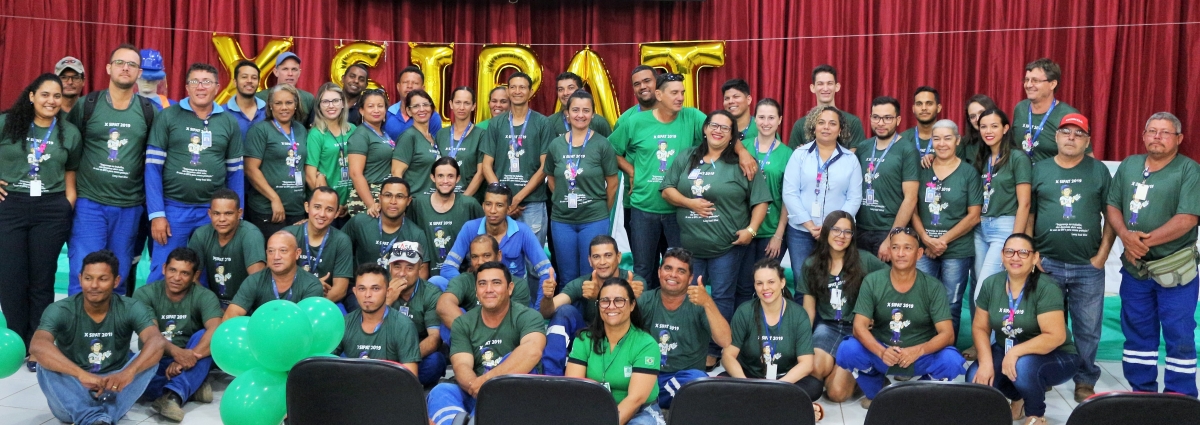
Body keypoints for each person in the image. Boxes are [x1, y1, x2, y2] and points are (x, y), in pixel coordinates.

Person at [613, 73, 756, 289]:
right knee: (643, 269)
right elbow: (611, 150)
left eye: (682, 92)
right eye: (674, 93)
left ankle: (678, 309)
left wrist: (743, 152)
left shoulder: (692, 116)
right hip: (644, 208)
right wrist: (631, 171)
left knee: (680, 269)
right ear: (659, 95)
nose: (680, 97)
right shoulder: (634, 122)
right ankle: (645, 309)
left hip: (679, 211)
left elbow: (720, 129)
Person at [1106, 112, 1200, 397]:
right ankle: (1142, 393)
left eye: (1165, 132)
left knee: (1179, 334)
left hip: (1175, 272)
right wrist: (1126, 236)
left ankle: (1179, 397)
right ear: (1143, 135)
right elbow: (1112, 205)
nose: (1157, 137)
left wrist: (1140, 243)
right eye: (1152, 131)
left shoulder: (1189, 170)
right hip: (1135, 271)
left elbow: (1188, 218)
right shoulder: (1130, 165)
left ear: (1179, 138)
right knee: (1137, 333)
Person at [661, 109, 768, 340]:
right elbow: (667, 190)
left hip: (726, 247)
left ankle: (715, 347)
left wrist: (751, 230)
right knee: (689, 294)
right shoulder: (687, 156)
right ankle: (691, 343)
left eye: (725, 128)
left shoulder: (743, 163)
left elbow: (760, 200)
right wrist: (690, 203)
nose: (718, 131)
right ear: (705, 129)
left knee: (721, 297)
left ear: (732, 135)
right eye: (714, 125)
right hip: (690, 247)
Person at [0, 73, 82, 370]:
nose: (51, 101)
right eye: (45, 94)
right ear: (32, 96)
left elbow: (71, 172)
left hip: (50, 208)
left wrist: (66, 204)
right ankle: (17, 340)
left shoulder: (69, 133)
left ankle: (38, 345)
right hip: (10, 205)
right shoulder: (6, 123)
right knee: (11, 277)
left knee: (42, 279)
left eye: (57, 96)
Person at [1029, 113, 1113, 401]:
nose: (1071, 138)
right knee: (1045, 326)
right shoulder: (1039, 169)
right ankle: (1047, 374)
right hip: (1047, 263)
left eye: (1078, 134)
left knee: (1087, 329)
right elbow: (1030, 214)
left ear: (1087, 141)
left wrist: (1102, 256)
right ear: (1056, 137)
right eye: (1066, 132)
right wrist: (1032, 255)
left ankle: (1085, 380)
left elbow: (1112, 216)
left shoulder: (1099, 171)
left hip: (1087, 266)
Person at [32, 250, 167, 425]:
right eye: (88, 278)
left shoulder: (131, 307)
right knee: (44, 362)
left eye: (102, 279)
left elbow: (156, 341)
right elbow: (38, 345)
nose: (94, 285)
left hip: (114, 387)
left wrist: (127, 373)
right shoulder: (61, 309)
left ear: (116, 281)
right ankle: (96, 417)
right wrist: (81, 374)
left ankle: (96, 419)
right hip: (73, 389)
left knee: (150, 358)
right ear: (80, 279)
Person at [836, 227, 965, 408]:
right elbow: (859, 327)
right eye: (895, 248)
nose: (900, 253)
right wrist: (881, 352)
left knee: (952, 360)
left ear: (919, 253)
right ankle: (877, 391)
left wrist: (918, 350)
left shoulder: (933, 286)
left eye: (907, 248)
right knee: (847, 349)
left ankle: (916, 396)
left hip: (919, 355)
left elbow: (947, 334)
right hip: (883, 352)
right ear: (889, 251)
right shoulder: (873, 281)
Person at [65, 44, 156, 296]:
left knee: (118, 276)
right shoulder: (87, 105)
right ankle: (77, 321)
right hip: (89, 204)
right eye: (119, 63)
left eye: (132, 64)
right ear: (108, 68)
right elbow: (65, 150)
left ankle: (113, 323)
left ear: (139, 73)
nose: (125, 68)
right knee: (84, 273)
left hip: (129, 207)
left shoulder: (149, 111)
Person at [145, 62, 245, 283]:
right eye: (195, 82)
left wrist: (237, 215)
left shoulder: (229, 122)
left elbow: (236, 173)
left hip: (213, 213)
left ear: (217, 87)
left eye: (207, 82)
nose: (200, 87)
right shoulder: (168, 116)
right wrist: (157, 214)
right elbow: (152, 168)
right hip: (173, 210)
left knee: (208, 274)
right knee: (164, 271)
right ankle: (153, 307)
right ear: (187, 87)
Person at [967, 234, 1079, 425]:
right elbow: (980, 327)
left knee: (1022, 366)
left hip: (1056, 354)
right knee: (975, 377)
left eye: (1023, 253)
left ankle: (1035, 415)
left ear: (1035, 258)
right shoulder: (991, 284)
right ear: (1002, 255)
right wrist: (985, 362)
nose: (1015, 257)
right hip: (1007, 348)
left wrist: (1015, 352)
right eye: (1009, 252)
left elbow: (1056, 336)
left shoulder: (1046, 287)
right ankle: (1017, 396)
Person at [426, 262, 547, 425]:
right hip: (474, 391)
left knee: (515, 363)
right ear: (476, 291)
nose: (489, 289)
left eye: (496, 283)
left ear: (510, 288)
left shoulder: (528, 316)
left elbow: (532, 351)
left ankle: (476, 419)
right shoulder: (463, 322)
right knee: (441, 391)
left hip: (515, 396)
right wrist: (476, 386)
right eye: (482, 284)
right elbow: (461, 365)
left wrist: (487, 382)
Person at [795, 212, 888, 402]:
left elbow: (892, 283)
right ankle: (841, 367)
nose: (841, 236)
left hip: (858, 329)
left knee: (836, 394)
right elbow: (808, 310)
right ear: (826, 231)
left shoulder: (865, 260)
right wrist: (801, 344)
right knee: (815, 369)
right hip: (827, 327)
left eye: (847, 231)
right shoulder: (811, 264)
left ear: (853, 236)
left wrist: (877, 315)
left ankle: (869, 377)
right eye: (836, 230)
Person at [724, 259, 824, 420]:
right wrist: (745, 384)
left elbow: (806, 364)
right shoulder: (744, 311)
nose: (765, 288)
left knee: (814, 386)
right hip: (750, 377)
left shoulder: (799, 314)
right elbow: (728, 356)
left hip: (785, 378)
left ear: (782, 282)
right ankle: (790, 408)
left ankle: (758, 405)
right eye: (759, 283)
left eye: (771, 282)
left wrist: (778, 387)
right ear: (754, 285)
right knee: (720, 384)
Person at [133, 248, 222, 422]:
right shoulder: (144, 294)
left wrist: (186, 358)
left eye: (184, 273)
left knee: (205, 336)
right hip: (157, 359)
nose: (176, 277)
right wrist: (178, 355)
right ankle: (192, 386)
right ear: (164, 268)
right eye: (172, 270)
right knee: (128, 370)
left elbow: (215, 329)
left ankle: (173, 396)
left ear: (195, 275)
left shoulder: (205, 296)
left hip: (191, 360)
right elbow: (152, 337)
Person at [913, 120, 982, 342]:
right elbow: (912, 207)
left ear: (957, 141)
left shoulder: (969, 173)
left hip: (957, 250)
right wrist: (926, 239)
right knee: (922, 301)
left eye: (947, 138)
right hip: (924, 248)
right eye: (937, 139)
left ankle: (946, 354)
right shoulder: (922, 169)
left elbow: (974, 216)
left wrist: (941, 240)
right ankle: (922, 352)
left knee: (951, 304)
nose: (942, 143)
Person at [638, 248, 730, 408]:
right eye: (668, 268)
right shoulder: (646, 300)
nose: (673, 275)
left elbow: (725, 341)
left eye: (681, 271)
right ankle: (650, 396)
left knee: (697, 381)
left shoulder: (699, 303)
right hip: (648, 373)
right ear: (659, 272)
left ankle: (647, 397)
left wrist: (708, 303)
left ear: (690, 278)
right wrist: (626, 299)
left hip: (683, 378)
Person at [541, 235, 646, 376]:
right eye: (596, 257)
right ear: (590, 261)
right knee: (564, 311)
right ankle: (549, 377)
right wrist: (547, 297)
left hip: (622, 340)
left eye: (608, 255)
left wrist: (599, 297)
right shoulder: (583, 283)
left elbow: (636, 320)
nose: (602, 262)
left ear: (618, 257)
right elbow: (547, 312)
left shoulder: (634, 282)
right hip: (589, 339)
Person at [566, 277, 665, 425]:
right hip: (593, 407)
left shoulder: (646, 344)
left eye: (619, 301)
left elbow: (635, 399)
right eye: (605, 301)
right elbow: (575, 387)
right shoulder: (584, 339)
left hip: (640, 412)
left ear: (632, 305)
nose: (611, 306)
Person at [545, 91, 619, 284]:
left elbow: (612, 184)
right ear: (567, 113)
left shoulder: (602, 144)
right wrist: (563, 197)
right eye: (575, 110)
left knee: (593, 275)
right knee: (567, 277)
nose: (580, 115)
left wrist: (600, 209)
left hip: (593, 219)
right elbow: (551, 177)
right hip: (562, 220)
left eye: (586, 110)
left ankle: (593, 306)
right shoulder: (556, 145)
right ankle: (570, 306)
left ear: (593, 114)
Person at [781, 106, 863, 275]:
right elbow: (790, 193)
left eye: (832, 123)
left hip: (837, 234)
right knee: (802, 279)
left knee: (833, 279)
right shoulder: (799, 155)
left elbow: (854, 198)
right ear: (814, 127)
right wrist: (809, 225)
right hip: (801, 232)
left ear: (840, 130)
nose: (826, 127)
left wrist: (833, 227)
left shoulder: (850, 160)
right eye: (821, 122)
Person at [440, 183, 552, 301]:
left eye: (499, 205)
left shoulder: (523, 231)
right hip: (476, 294)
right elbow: (448, 267)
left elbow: (547, 272)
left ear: (509, 209)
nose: (492, 210)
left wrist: (539, 308)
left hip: (512, 297)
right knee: (437, 281)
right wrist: (469, 287)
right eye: (488, 204)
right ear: (483, 206)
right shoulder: (469, 228)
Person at [480, 72, 552, 245]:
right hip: (500, 205)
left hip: (532, 204)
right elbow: (486, 165)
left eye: (522, 87)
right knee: (499, 254)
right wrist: (503, 199)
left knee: (532, 257)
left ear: (531, 91)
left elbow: (545, 167)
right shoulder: (496, 124)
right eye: (513, 87)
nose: (517, 91)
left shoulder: (543, 123)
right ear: (508, 91)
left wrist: (517, 198)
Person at [343, 177, 436, 298]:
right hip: (363, 293)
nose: (393, 201)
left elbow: (422, 272)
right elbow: (338, 249)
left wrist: (402, 294)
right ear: (380, 198)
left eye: (399, 196)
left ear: (408, 201)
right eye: (388, 195)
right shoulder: (360, 223)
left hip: (399, 294)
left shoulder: (416, 234)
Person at [973, 108, 1032, 296]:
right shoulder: (983, 158)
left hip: (1004, 228)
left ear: (1005, 128)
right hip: (980, 229)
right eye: (983, 127)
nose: (988, 131)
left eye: (994, 126)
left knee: (982, 292)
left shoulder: (1017, 158)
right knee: (989, 290)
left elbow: (1025, 204)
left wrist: (1015, 241)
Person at [855, 96, 919, 261]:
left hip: (887, 230)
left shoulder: (907, 150)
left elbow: (911, 198)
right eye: (876, 117)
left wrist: (892, 237)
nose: (881, 123)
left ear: (898, 120)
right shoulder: (863, 147)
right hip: (860, 229)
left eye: (887, 118)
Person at [437, 235, 535, 339]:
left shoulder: (516, 284)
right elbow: (444, 304)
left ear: (498, 256)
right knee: (449, 320)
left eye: (486, 255)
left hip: (504, 339)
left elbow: (514, 322)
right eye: (475, 257)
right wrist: (476, 337)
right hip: (470, 338)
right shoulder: (464, 280)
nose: (480, 261)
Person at [335, 263, 421, 377]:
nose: (367, 295)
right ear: (355, 292)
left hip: (389, 386)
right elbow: (324, 366)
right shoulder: (344, 324)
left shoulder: (404, 326)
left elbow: (410, 378)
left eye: (375, 288)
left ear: (388, 292)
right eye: (362, 289)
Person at [409, 157, 483, 289]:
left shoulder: (469, 204)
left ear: (458, 178)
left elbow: (485, 238)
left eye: (450, 176)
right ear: (432, 177)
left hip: (462, 280)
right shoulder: (418, 204)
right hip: (426, 280)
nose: (445, 181)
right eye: (440, 176)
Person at [382, 241, 449, 387]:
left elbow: (434, 338)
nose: (402, 273)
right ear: (389, 267)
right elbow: (368, 330)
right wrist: (387, 302)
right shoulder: (379, 288)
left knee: (436, 361)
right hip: (384, 352)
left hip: (417, 353)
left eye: (409, 267)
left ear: (420, 268)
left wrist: (406, 359)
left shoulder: (431, 293)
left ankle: (394, 382)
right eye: (397, 266)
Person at [245, 84, 308, 236]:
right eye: (278, 103)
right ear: (270, 106)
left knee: (296, 250)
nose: (284, 107)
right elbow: (250, 169)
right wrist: (274, 199)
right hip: (268, 209)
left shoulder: (301, 130)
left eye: (289, 102)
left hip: (297, 209)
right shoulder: (260, 130)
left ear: (296, 105)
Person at [186, 188, 266, 308]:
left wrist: (233, 309)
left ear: (239, 213)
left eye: (228, 213)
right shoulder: (201, 235)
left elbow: (257, 281)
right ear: (209, 214)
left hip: (248, 304)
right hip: (215, 302)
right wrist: (212, 305)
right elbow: (191, 278)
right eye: (216, 213)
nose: (222, 219)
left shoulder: (251, 235)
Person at [223, 231, 325, 318]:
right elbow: (231, 315)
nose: (276, 257)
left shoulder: (311, 285)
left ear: (297, 253)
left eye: (283, 250)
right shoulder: (254, 280)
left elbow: (307, 325)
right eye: (271, 251)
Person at [282, 187, 355, 305]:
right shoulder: (287, 236)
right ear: (307, 207)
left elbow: (340, 290)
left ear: (336, 213)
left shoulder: (342, 241)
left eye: (329, 210)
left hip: (325, 303)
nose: (322, 214)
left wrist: (313, 307)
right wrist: (313, 287)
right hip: (290, 302)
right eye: (317, 207)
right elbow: (276, 280)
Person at [614, 65, 658, 243]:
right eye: (637, 84)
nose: (642, 87)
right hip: (636, 202)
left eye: (647, 81)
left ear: (658, 83)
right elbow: (610, 150)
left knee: (675, 258)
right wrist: (632, 171)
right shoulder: (627, 120)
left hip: (673, 204)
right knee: (642, 259)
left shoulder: (675, 114)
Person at [1011, 58, 1083, 163]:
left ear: (1052, 84)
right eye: (1026, 80)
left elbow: (1085, 159)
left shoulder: (1069, 115)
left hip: (1052, 173)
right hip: (1022, 172)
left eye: (1035, 80)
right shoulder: (1020, 108)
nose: (1028, 85)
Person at [306, 82, 355, 222]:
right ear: (319, 106)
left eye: (335, 101)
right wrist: (331, 206)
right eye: (325, 102)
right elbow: (310, 176)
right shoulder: (316, 134)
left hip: (352, 204)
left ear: (343, 103)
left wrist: (351, 202)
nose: (331, 105)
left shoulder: (353, 129)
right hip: (328, 210)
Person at [788, 64, 865, 148]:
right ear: (812, 88)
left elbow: (857, 152)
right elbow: (794, 154)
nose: (825, 89)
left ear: (837, 87)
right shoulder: (800, 125)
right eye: (820, 84)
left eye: (829, 83)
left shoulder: (853, 122)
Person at [346, 88, 394, 216]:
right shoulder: (361, 135)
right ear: (361, 110)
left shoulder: (383, 133)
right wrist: (371, 204)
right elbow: (355, 173)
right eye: (371, 106)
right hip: (367, 198)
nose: (376, 110)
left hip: (384, 194)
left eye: (380, 106)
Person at [435, 87, 486, 196]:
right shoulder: (441, 134)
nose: (461, 107)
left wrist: (464, 199)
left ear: (473, 106)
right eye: (458, 102)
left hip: (469, 199)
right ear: (451, 104)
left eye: (467, 103)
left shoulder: (481, 135)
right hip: (443, 198)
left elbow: (481, 172)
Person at [392, 89, 441, 195]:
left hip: (433, 200)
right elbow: (396, 173)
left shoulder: (433, 138)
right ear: (409, 111)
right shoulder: (408, 137)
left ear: (431, 108)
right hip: (414, 199)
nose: (422, 109)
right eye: (416, 106)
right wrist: (403, 198)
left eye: (425, 105)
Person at [254, 52, 315, 125]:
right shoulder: (260, 97)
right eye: (285, 69)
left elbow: (311, 128)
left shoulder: (308, 99)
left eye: (294, 69)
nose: (290, 74)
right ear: (276, 72)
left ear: (299, 73)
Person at [384, 65, 442, 139]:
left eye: (415, 83)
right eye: (405, 82)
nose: (410, 86)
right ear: (398, 87)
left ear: (422, 89)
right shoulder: (387, 114)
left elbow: (436, 144)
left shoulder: (432, 116)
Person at [547, 72, 612, 137]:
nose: (565, 93)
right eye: (561, 89)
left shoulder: (599, 123)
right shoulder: (550, 122)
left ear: (582, 90)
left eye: (570, 88)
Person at [899, 86, 943, 162]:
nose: (924, 108)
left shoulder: (950, 140)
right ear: (913, 109)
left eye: (929, 103)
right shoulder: (902, 139)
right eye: (919, 104)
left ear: (938, 108)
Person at [226, 60, 265, 139]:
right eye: (244, 77)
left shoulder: (269, 111)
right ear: (235, 82)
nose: (249, 81)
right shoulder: (223, 113)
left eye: (254, 78)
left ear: (258, 82)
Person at [958, 94, 999, 167]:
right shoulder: (964, 144)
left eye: (982, 113)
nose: (978, 119)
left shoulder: (1007, 140)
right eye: (972, 116)